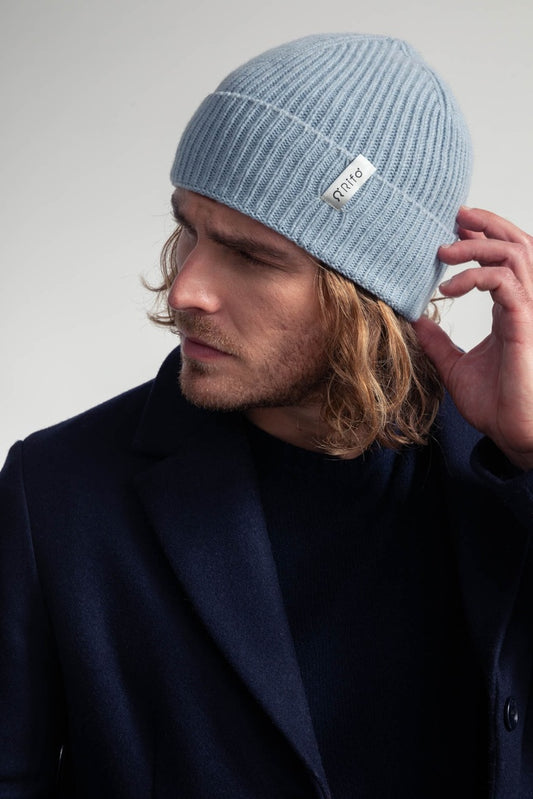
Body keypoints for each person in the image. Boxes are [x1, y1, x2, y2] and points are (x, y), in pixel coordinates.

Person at [1, 33, 532, 799]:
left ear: (366, 294)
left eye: (250, 256)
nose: (186, 289)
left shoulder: (502, 478)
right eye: (189, 228)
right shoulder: (56, 493)